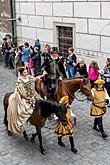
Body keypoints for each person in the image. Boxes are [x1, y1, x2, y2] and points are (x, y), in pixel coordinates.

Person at [7, 67, 43, 135]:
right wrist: (27, 97)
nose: (26, 73)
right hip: (24, 95)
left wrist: (42, 75)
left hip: (31, 92)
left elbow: (35, 79)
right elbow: (21, 92)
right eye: (25, 72)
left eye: (27, 72)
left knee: (41, 101)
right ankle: (24, 121)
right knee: (23, 108)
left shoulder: (28, 76)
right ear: (21, 73)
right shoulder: (19, 81)